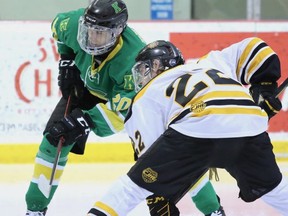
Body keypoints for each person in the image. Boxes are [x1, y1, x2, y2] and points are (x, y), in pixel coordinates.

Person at [24, 1, 224, 216]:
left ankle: (213, 210)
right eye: (88, 29)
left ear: (118, 32)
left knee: (168, 154)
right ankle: (35, 209)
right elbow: (58, 27)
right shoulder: (73, 24)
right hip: (87, 87)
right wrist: (66, 60)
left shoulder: (131, 61)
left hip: (126, 100)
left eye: (99, 33)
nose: (90, 37)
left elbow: (120, 114)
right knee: (56, 137)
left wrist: (85, 122)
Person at [87, 37, 288, 216]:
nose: (141, 78)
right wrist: (265, 89)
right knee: (275, 190)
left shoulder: (147, 94)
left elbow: (150, 158)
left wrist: (158, 197)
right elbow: (254, 47)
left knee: (132, 188)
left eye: (143, 69)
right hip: (249, 123)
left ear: (156, 66)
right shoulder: (210, 63)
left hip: (197, 127)